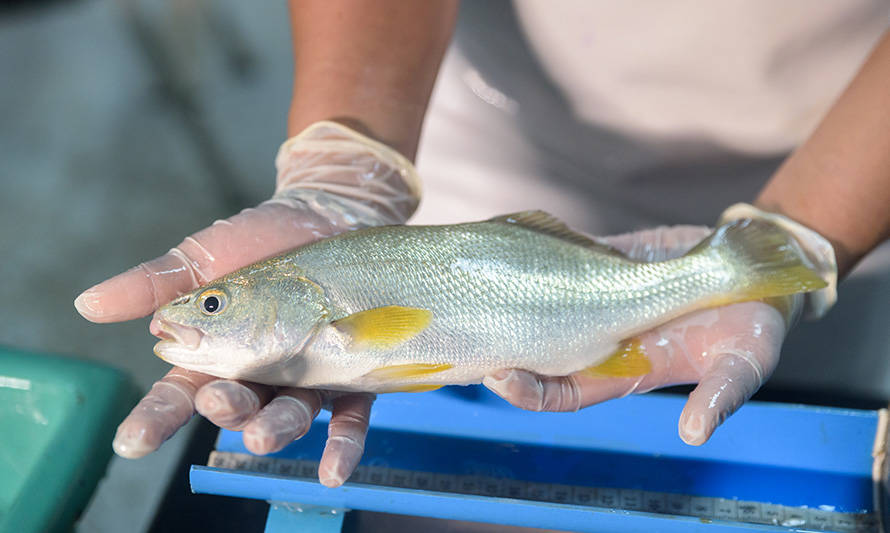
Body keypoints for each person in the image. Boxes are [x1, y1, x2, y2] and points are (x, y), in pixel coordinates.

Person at [74, 1, 890, 488]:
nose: (200, 309)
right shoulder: (327, 298)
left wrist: (812, 230)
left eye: (214, 302)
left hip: (854, 158)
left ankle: (757, 262)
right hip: (485, 117)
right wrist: (349, 164)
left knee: (769, 434)